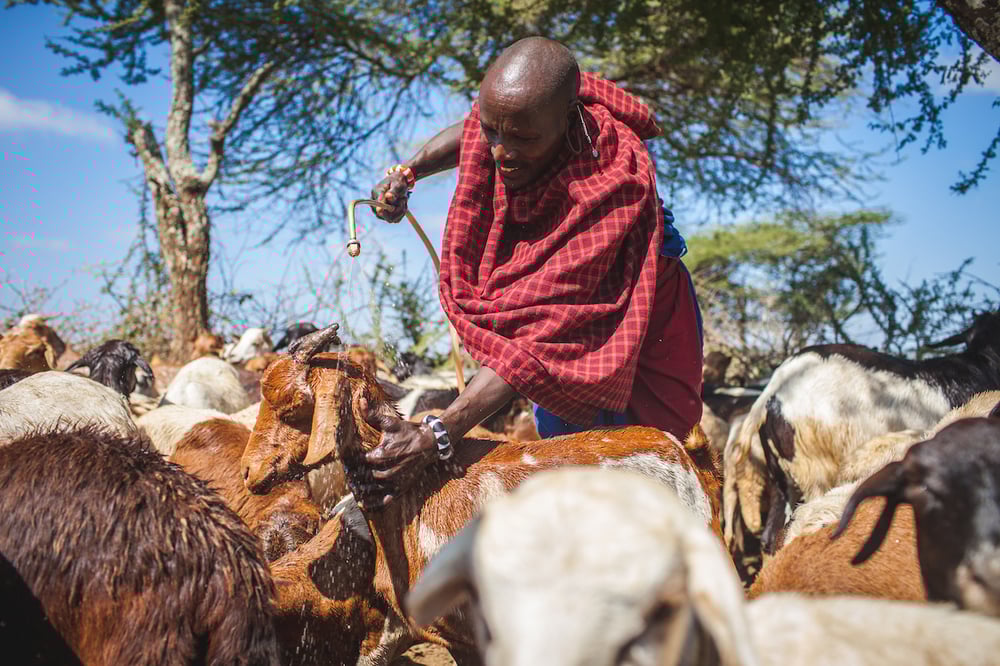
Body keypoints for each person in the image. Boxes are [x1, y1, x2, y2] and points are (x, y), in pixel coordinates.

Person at [360, 36, 703, 506]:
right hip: (567, 322)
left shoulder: (610, 183)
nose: (500, 151)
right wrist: (410, 171)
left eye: (522, 138)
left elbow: (541, 341)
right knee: (567, 463)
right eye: (493, 132)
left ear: (569, 119)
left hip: (645, 313)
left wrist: (438, 433)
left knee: (659, 465)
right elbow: (475, 131)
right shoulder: (509, 125)